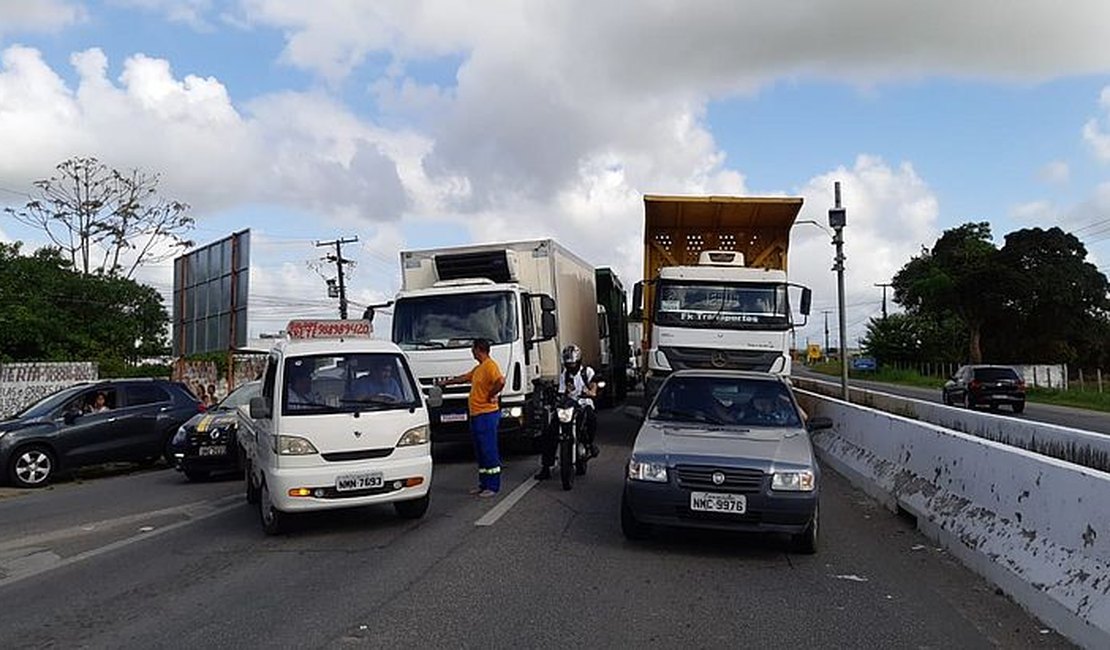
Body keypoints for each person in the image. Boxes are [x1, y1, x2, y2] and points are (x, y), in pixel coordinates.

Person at [437, 339, 505, 497]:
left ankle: (493, 485)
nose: (471, 351)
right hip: (476, 415)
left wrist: (491, 394)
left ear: (478, 349)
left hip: (487, 414)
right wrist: (447, 382)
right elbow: (464, 378)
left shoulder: (490, 366)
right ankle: (483, 483)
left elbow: (500, 381)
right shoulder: (479, 368)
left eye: (473, 349)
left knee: (488, 449)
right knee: (480, 451)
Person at [535, 344, 599, 480]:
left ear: (579, 362)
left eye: (573, 364)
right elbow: (561, 393)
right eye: (568, 364)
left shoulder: (586, 372)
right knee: (550, 431)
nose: (571, 367)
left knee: (591, 417)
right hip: (568, 406)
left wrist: (591, 392)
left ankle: (589, 444)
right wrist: (559, 395)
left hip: (584, 403)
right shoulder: (564, 375)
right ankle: (546, 467)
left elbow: (594, 384)